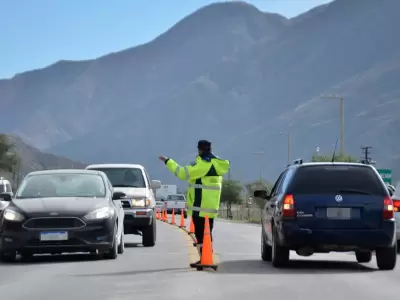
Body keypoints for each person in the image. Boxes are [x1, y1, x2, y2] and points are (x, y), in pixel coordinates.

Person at [158, 140, 230, 267]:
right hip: (211, 206)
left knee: (201, 234)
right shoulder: (217, 164)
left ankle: (205, 259)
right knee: (207, 233)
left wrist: (168, 161)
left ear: (199, 150)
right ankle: (205, 257)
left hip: (200, 206)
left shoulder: (203, 165)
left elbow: (182, 173)